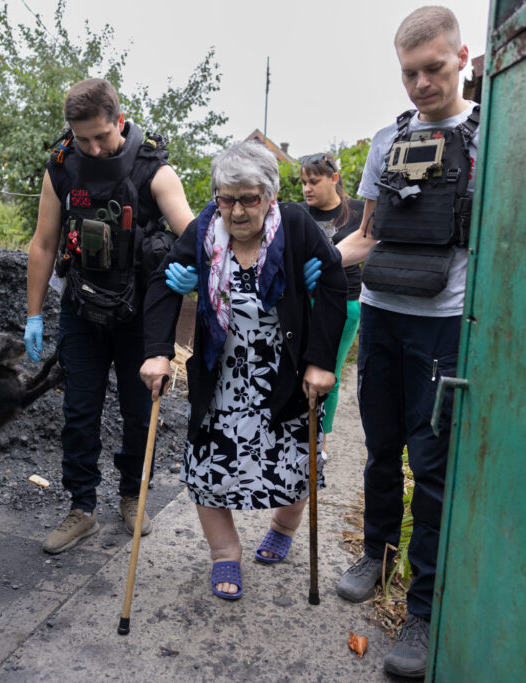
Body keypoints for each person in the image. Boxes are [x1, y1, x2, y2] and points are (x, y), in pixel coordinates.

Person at [332, 6, 480, 678]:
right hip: (380, 314)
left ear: (462, 57)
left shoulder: (486, 136)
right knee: (380, 447)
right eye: (409, 73)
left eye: (433, 69)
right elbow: (366, 235)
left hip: (443, 321)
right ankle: (376, 553)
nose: (421, 84)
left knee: (435, 466)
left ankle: (421, 610)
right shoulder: (385, 137)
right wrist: (308, 261)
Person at [139, 140, 347, 600]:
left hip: (284, 374)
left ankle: (283, 525)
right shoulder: (203, 229)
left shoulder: (294, 225)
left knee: (295, 470)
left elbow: (333, 282)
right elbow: (161, 287)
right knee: (208, 470)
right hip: (222, 376)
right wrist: (157, 351)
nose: (235, 211)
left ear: (270, 196)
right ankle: (224, 552)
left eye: (248, 198)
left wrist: (320, 362)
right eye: (225, 198)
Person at [24, 78, 194, 554]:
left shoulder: (154, 171)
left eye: (102, 136)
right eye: (84, 140)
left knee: (140, 414)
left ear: (120, 120)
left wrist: (194, 270)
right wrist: (34, 314)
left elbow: (195, 234)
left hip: (140, 316)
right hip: (81, 308)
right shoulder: (62, 169)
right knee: (79, 414)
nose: (95, 149)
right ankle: (82, 507)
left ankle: (130, 497)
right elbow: (43, 242)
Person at [298, 153, 365, 454]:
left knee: (328, 373)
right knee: (298, 371)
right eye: (303, 183)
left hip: (344, 304)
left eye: (314, 181)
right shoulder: (299, 214)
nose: (307, 189)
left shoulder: (359, 213)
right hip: (303, 302)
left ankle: (318, 444)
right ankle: (296, 434)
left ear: (334, 179)